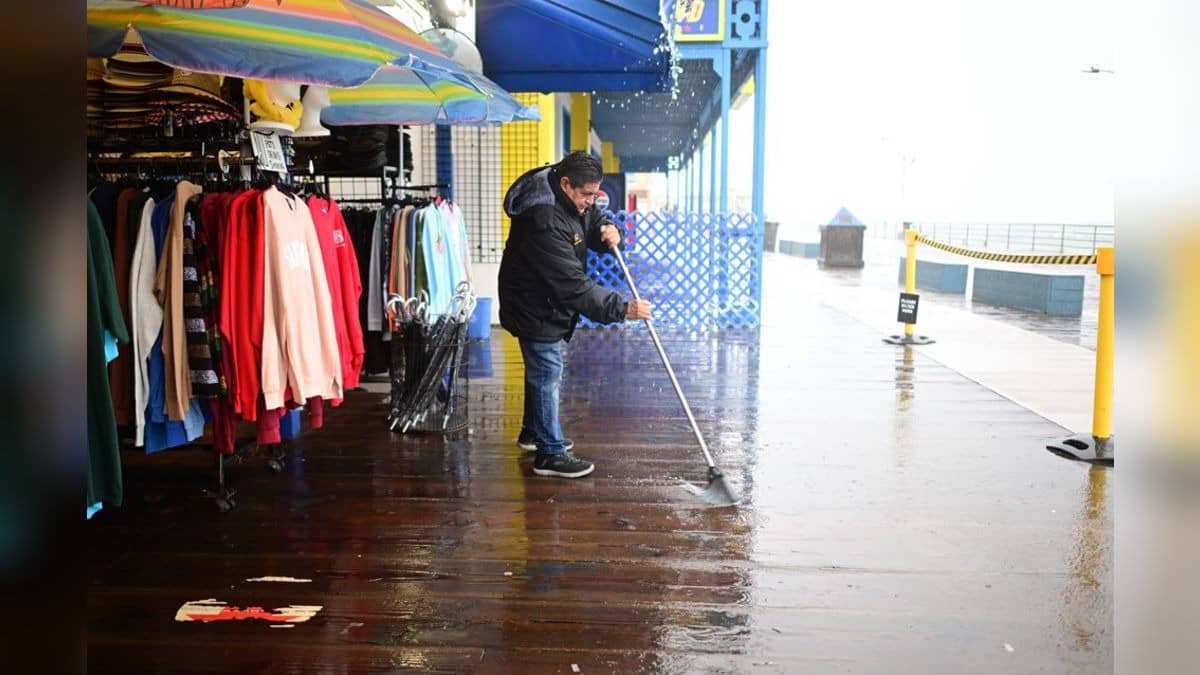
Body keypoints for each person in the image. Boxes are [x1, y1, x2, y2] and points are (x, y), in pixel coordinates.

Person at [498, 151, 653, 478]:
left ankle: (533, 432)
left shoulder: (568, 195)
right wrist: (623, 309)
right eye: (585, 195)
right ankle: (549, 454)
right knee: (547, 371)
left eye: (593, 195)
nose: (589, 201)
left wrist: (609, 229)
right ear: (566, 184)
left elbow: (589, 217)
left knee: (541, 371)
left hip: (544, 298)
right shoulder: (543, 219)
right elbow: (572, 285)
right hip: (533, 302)